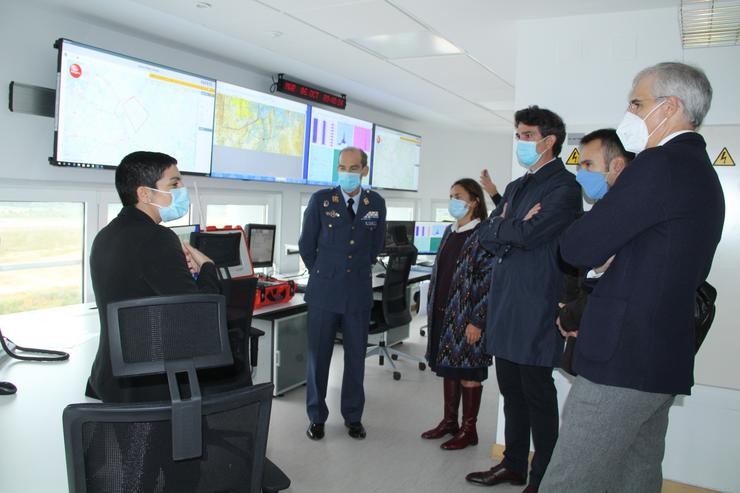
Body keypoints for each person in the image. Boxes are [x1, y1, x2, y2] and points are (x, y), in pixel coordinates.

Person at [540, 62, 725, 492]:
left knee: (570, 480)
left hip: (621, 360)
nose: (630, 112)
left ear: (670, 106)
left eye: (637, 102)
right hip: (661, 356)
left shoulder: (658, 165)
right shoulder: (702, 174)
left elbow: (577, 247)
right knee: (636, 476)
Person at [466, 106, 582, 493]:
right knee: (511, 392)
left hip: (537, 304)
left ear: (549, 142)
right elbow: (485, 234)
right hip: (506, 303)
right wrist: (510, 225)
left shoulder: (564, 188)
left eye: (527, 135)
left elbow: (530, 236)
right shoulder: (515, 188)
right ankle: (513, 464)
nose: (520, 142)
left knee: (537, 396)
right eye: (518, 135)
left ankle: (543, 476)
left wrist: (507, 227)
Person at [86, 151, 219, 403]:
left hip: (112, 377)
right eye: (174, 183)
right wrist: (208, 268)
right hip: (150, 382)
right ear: (144, 194)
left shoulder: (105, 236)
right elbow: (199, 314)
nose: (182, 189)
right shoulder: (157, 237)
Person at [299, 146, 386, 441]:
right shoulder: (321, 200)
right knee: (318, 358)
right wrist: (324, 272)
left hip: (358, 293)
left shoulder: (376, 203)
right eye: (342, 167)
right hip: (324, 292)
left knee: (356, 359)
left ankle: (353, 416)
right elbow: (306, 245)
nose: (346, 173)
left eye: (353, 168)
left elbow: (375, 246)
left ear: (364, 170)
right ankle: (316, 417)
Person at [420, 178, 494, 451]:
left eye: (458, 195)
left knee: (469, 371)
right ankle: (449, 422)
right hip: (445, 314)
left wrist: (478, 320)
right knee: (449, 369)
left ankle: (468, 430)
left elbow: (488, 282)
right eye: (450, 195)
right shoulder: (450, 232)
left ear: (474, 201)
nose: (452, 200)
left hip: (468, 318)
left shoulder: (483, 235)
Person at [557, 129, 634, 373]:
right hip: (583, 332)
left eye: (588, 165)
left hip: (614, 349)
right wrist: (567, 311)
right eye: (579, 166)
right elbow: (578, 270)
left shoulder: (628, 218)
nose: (580, 174)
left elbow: (612, 283)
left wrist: (570, 315)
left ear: (617, 165)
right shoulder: (599, 214)